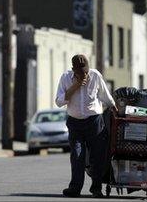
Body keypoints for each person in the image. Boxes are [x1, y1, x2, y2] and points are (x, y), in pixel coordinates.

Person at [55, 54, 118, 198]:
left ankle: (96, 189)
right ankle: (75, 188)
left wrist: (114, 107)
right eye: (81, 72)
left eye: (86, 71)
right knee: (77, 155)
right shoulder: (66, 78)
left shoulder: (95, 75)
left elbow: (105, 95)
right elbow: (59, 101)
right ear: (73, 70)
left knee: (97, 156)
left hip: (94, 121)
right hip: (75, 123)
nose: (85, 74)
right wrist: (76, 86)